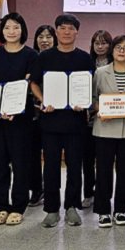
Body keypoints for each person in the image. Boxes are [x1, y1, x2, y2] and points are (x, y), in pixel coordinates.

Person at [30, 14, 95, 228]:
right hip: (50, 121)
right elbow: (34, 84)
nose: (66, 32)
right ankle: (51, 209)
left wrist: (84, 103)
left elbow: (89, 88)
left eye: (71, 28)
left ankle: (71, 207)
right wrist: (43, 100)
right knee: (50, 167)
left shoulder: (85, 58)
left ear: (77, 32)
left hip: (76, 122)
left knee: (75, 166)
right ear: (56, 31)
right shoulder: (44, 57)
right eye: (62, 28)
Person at [0, 13, 38, 226]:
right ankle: (1, 206)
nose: (11, 31)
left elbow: (24, 86)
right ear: (2, 30)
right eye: (7, 27)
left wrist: (11, 107)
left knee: (20, 162)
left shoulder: (31, 55)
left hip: (20, 116)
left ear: (22, 30)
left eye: (16, 27)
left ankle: (18, 206)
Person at [92, 35, 125, 228]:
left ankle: (120, 211)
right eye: (118, 48)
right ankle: (103, 211)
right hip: (104, 128)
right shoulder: (100, 72)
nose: (122, 51)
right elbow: (92, 98)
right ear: (111, 51)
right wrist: (100, 108)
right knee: (104, 171)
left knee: (124, 172)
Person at [27, 25, 57, 207]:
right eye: (40, 36)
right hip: (30, 114)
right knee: (31, 154)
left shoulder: (57, 58)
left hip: (52, 114)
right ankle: (36, 188)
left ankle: (49, 188)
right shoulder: (30, 57)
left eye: (48, 36)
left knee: (50, 154)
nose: (44, 40)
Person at [82, 29, 111, 209]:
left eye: (104, 42)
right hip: (88, 118)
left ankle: (103, 194)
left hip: (109, 118)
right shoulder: (86, 63)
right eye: (96, 43)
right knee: (87, 159)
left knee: (104, 160)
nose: (100, 46)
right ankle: (88, 193)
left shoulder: (116, 63)